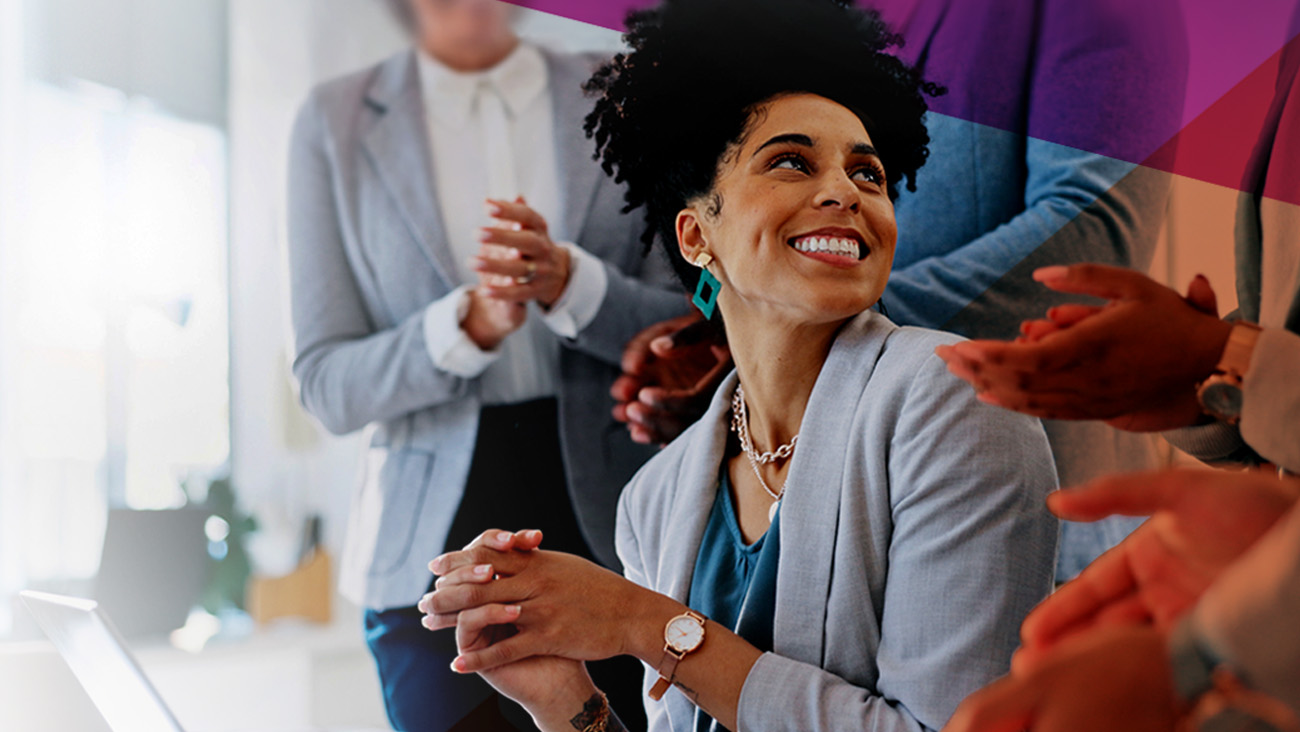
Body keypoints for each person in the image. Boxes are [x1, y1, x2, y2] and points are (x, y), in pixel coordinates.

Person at [418, 1, 1060, 730]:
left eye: (869, 173)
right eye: (791, 161)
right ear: (697, 235)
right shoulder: (655, 500)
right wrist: (571, 702)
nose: (845, 191)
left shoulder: (954, 400)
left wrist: (642, 622)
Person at [609, 0, 1190, 580]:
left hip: (1040, 536)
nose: (845, 195)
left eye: (869, 174)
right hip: (818, 528)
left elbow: (1091, 232)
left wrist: (803, 334)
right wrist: (734, 328)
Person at [286, 1, 686, 728]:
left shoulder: (626, 90)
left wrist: (574, 285)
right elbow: (325, 386)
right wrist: (461, 329)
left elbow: (700, 332)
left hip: (623, 525)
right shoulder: (332, 120)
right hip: (427, 555)